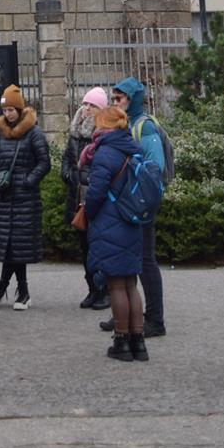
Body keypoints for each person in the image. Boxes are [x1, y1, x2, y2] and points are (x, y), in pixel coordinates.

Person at [84, 105, 148, 362]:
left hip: (111, 222)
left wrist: (87, 213)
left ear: (106, 126)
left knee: (116, 284)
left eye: (99, 123)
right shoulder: (134, 148)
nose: (96, 127)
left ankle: (121, 341)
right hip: (132, 220)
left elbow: (96, 192)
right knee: (131, 283)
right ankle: (139, 342)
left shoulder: (105, 153)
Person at [108, 77, 167, 337]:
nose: (114, 103)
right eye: (113, 98)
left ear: (132, 101)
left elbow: (155, 168)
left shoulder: (145, 127)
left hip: (139, 205)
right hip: (125, 204)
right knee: (125, 259)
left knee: (145, 260)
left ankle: (155, 319)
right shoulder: (125, 124)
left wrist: (139, 199)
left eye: (118, 99)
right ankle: (124, 314)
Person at [0, 85, 51, 310]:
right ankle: (17, 290)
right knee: (8, 245)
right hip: (5, 197)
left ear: (20, 108)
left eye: (12, 110)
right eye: (5, 110)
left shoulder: (33, 133)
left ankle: (9, 288)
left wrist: (28, 180)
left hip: (26, 199)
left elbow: (45, 162)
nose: (8, 114)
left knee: (18, 246)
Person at [61, 88, 110, 309]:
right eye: (85, 104)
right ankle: (92, 288)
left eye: (92, 105)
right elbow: (66, 162)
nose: (87, 109)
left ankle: (105, 290)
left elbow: (104, 167)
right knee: (85, 248)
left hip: (96, 200)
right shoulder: (74, 134)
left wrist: (87, 178)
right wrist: (71, 175)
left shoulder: (103, 134)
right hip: (77, 199)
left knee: (99, 247)